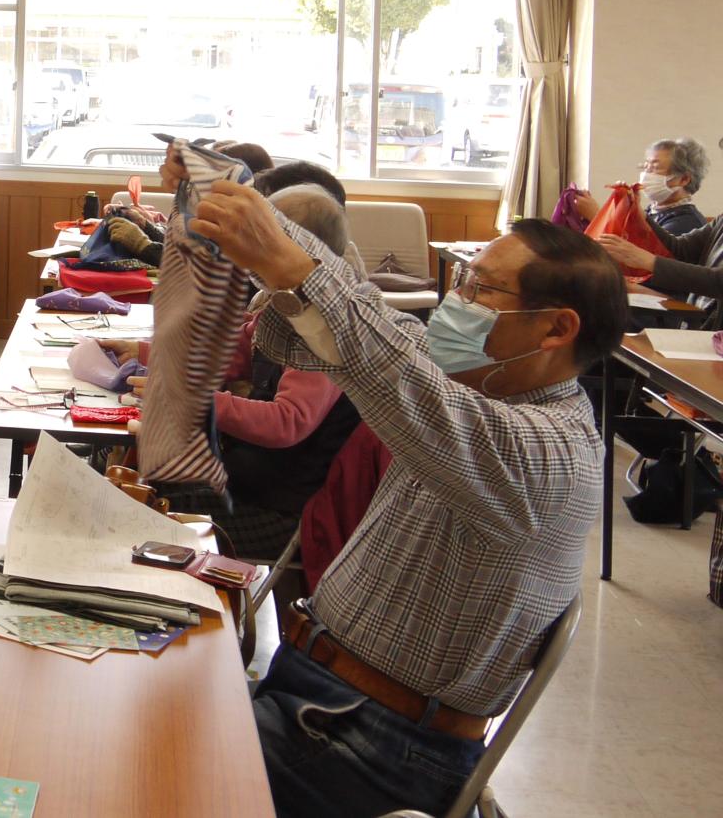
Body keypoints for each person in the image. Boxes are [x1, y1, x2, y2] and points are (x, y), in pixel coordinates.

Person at [190, 179, 623, 818]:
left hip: (373, 747)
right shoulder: (486, 393)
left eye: (480, 289)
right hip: (326, 702)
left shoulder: (550, 452)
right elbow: (350, 324)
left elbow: (385, 362)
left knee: (132, 748)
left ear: (556, 329)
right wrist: (263, 237)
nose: (458, 301)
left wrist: (292, 263)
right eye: (465, 280)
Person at [109, 185, 360, 558]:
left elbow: (286, 421)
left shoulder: (327, 327)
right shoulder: (282, 302)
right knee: (136, 486)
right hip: (245, 481)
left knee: (130, 521)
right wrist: (150, 355)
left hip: (280, 511)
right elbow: (232, 354)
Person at [574, 138, 710, 239]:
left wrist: (596, 216)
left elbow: (637, 257)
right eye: (646, 167)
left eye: (655, 168)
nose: (646, 175)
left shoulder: (687, 223)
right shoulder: (652, 212)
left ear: (684, 179)